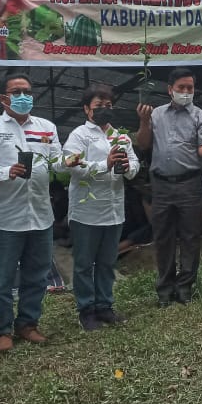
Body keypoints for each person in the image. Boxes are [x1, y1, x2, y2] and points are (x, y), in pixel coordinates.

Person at [0, 74, 64, 351]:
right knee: (2, 277)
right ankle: (1, 331)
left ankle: (27, 324)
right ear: (4, 98)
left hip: (40, 213)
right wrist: (6, 172)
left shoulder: (46, 127)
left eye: (27, 90)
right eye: (16, 91)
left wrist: (68, 161)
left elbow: (57, 161)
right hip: (8, 216)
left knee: (37, 274)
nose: (23, 96)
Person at [135, 68, 202, 306]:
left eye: (190, 88)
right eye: (181, 88)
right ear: (170, 89)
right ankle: (165, 288)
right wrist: (143, 122)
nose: (185, 92)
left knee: (191, 236)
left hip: (189, 183)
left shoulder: (201, 116)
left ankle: (185, 287)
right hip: (160, 184)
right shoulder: (156, 114)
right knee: (163, 237)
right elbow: (143, 144)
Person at [63, 84, 140, 329]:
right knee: (84, 263)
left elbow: (135, 164)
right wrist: (103, 164)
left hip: (113, 209)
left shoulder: (121, 136)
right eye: (99, 106)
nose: (104, 110)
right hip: (86, 212)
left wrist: (128, 167)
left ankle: (105, 306)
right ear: (87, 109)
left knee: (107, 261)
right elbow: (71, 165)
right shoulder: (78, 135)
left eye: (108, 106)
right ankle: (86, 310)